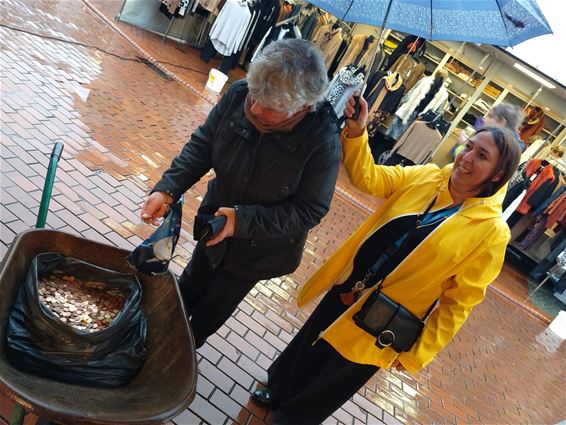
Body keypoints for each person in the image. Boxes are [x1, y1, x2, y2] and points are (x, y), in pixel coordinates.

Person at [251, 92, 521, 424]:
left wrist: (417, 354)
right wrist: (357, 131)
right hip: (353, 283)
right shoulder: (428, 177)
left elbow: (459, 304)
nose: (467, 159)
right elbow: (370, 177)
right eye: (469, 147)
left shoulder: (491, 233)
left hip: (385, 317)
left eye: (482, 156)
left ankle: (293, 418)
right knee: (312, 340)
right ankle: (278, 388)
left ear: (498, 174)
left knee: (338, 374)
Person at [140, 39, 341, 348]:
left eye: (270, 107)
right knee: (188, 285)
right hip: (215, 223)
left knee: (212, 309)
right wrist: (168, 188)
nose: (256, 108)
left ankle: (178, 354)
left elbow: (310, 209)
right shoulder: (238, 95)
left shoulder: (322, 140)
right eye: (255, 94)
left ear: (302, 106)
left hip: (261, 250)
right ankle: (154, 337)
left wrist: (242, 221)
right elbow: (204, 144)